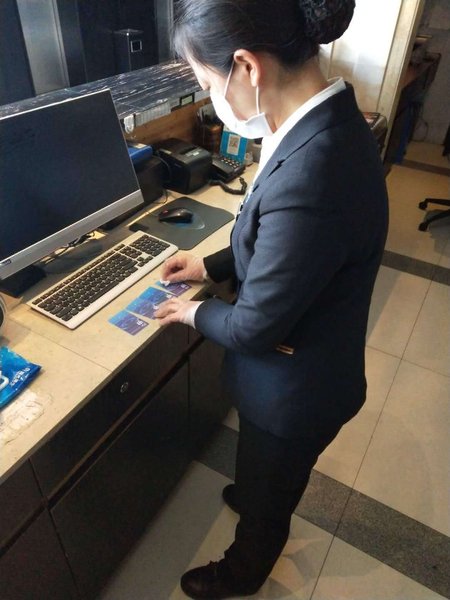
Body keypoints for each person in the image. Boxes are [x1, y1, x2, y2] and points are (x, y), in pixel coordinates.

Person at [155, 0, 388, 597]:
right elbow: (279, 244)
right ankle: (259, 487)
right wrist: (208, 264)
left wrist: (194, 310)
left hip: (297, 392)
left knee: (269, 497)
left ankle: (243, 570)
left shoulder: (315, 171)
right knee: (264, 472)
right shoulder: (325, 118)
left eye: (208, 83)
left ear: (247, 67)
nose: (212, 99)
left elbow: (255, 327)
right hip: (306, 367)